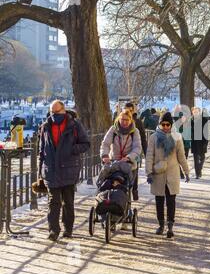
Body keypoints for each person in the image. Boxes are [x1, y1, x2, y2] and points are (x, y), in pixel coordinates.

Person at [39, 100, 90, 241]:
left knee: (68, 202)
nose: (54, 115)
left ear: (63, 110)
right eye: (51, 112)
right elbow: (41, 150)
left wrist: (72, 149)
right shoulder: (45, 127)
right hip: (51, 170)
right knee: (53, 202)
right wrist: (40, 172)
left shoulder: (74, 125)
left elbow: (86, 143)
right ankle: (53, 231)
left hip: (69, 169)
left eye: (56, 112)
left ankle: (68, 229)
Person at [146, 112, 190, 238]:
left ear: (171, 125)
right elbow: (149, 155)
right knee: (159, 200)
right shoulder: (153, 137)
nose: (165, 127)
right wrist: (148, 172)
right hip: (158, 174)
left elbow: (181, 156)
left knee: (171, 201)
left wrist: (186, 172)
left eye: (168, 124)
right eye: (163, 124)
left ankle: (170, 226)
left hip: (172, 173)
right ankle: (161, 225)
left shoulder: (177, 137)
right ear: (159, 124)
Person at [100, 109, 142, 229]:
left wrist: (129, 157)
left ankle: (124, 216)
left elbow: (137, 148)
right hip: (114, 163)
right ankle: (108, 214)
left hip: (128, 165)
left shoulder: (135, 132)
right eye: (122, 119)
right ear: (118, 119)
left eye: (127, 120)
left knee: (125, 188)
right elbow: (105, 144)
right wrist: (105, 155)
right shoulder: (113, 130)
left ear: (130, 120)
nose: (124, 122)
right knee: (109, 185)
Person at [124, 103, 147, 200]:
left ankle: (134, 189)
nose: (128, 111)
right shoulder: (120, 120)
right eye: (126, 109)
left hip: (136, 150)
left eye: (130, 109)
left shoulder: (137, 122)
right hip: (123, 150)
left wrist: (146, 152)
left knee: (135, 168)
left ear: (133, 110)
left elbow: (143, 137)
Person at [191, 107, 209, 179]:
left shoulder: (204, 120)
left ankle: (199, 168)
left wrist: (206, 142)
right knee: (195, 158)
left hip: (202, 141)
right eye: (194, 112)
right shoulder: (191, 120)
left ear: (199, 112)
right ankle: (197, 173)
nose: (195, 113)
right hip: (194, 142)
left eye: (196, 111)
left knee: (202, 157)